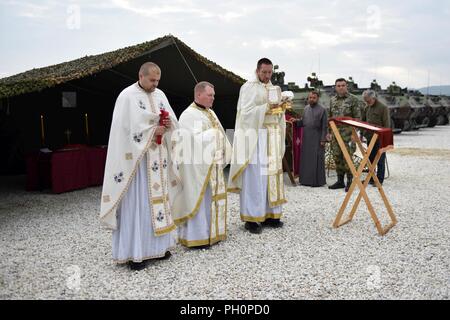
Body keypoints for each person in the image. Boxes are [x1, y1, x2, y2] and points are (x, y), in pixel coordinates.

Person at [99, 62, 180, 271]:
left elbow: (172, 120)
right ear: (141, 76)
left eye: (158, 81)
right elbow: (124, 131)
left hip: (158, 161)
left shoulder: (160, 95)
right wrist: (153, 131)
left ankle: (160, 247)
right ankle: (136, 254)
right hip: (138, 163)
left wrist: (168, 126)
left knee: (159, 202)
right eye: (152, 80)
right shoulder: (126, 97)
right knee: (138, 204)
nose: (155, 84)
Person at [228, 58, 287, 234]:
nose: (267, 76)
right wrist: (266, 107)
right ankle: (252, 218)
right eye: (264, 72)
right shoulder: (248, 87)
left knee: (271, 175)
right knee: (255, 177)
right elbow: (245, 114)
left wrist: (282, 107)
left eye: (270, 73)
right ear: (257, 70)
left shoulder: (275, 88)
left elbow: (277, 114)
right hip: (256, 137)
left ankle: (271, 214)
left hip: (273, 136)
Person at [172, 81, 232, 248]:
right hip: (197, 169)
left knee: (211, 200)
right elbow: (189, 142)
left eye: (213, 95)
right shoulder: (189, 115)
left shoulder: (210, 113)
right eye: (210, 95)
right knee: (200, 200)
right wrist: (212, 136)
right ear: (199, 95)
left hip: (213, 166)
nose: (213, 98)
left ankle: (212, 233)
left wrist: (223, 148)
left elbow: (219, 134)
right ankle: (196, 237)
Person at [328, 78, 361, 192]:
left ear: (346, 86)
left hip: (348, 134)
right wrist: (329, 132)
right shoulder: (332, 100)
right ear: (335, 87)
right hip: (335, 133)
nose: (341, 87)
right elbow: (330, 117)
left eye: (343, 85)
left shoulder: (353, 99)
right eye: (338, 85)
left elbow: (357, 118)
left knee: (348, 158)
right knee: (337, 157)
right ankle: (340, 181)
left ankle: (350, 181)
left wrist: (354, 133)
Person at [295, 91, 328, 187]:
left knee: (317, 159)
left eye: (314, 97)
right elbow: (303, 122)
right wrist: (295, 121)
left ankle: (317, 182)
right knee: (306, 160)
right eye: (310, 97)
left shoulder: (322, 110)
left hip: (317, 138)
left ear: (317, 98)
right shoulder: (305, 109)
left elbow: (324, 126)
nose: (311, 99)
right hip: (306, 138)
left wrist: (323, 139)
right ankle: (305, 180)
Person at [361, 89, 390, 185]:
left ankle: (379, 180)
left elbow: (387, 125)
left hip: (380, 138)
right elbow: (363, 121)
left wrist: (385, 139)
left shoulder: (383, 108)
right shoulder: (367, 107)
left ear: (373, 98)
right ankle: (371, 178)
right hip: (370, 137)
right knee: (370, 159)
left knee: (380, 159)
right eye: (365, 101)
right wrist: (361, 134)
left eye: (368, 101)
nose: (367, 103)